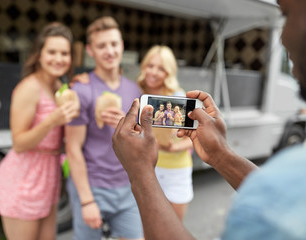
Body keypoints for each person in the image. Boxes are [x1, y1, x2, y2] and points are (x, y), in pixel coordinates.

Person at [112, 0, 306, 239]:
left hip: (172, 170)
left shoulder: (265, 213)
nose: (282, 38)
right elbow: (277, 197)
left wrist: (140, 174)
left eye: (286, 15)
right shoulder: (137, 92)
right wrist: (221, 154)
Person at [0, 22, 79, 240]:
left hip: (49, 176)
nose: (58, 58)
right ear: (39, 54)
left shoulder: (61, 86)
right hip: (24, 178)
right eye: (52, 52)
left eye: (64, 53)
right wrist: (52, 120)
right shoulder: (29, 88)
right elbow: (19, 143)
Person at [65, 16, 144, 240]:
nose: (109, 51)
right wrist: (87, 200)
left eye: (113, 44)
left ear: (122, 46)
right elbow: (73, 149)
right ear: (90, 51)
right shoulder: (82, 90)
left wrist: (126, 125)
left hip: (127, 187)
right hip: (93, 186)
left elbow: (141, 141)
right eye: (101, 46)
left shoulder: (134, 90)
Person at [136, 45, 194, 221]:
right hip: (148, 170)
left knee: (172, 230)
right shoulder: (138, 93)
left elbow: (193, 138)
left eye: (161, 68)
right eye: (150, 65)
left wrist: (173, 148)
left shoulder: (177, 96)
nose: (153, 72)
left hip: (176, 171)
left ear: (169, 72)